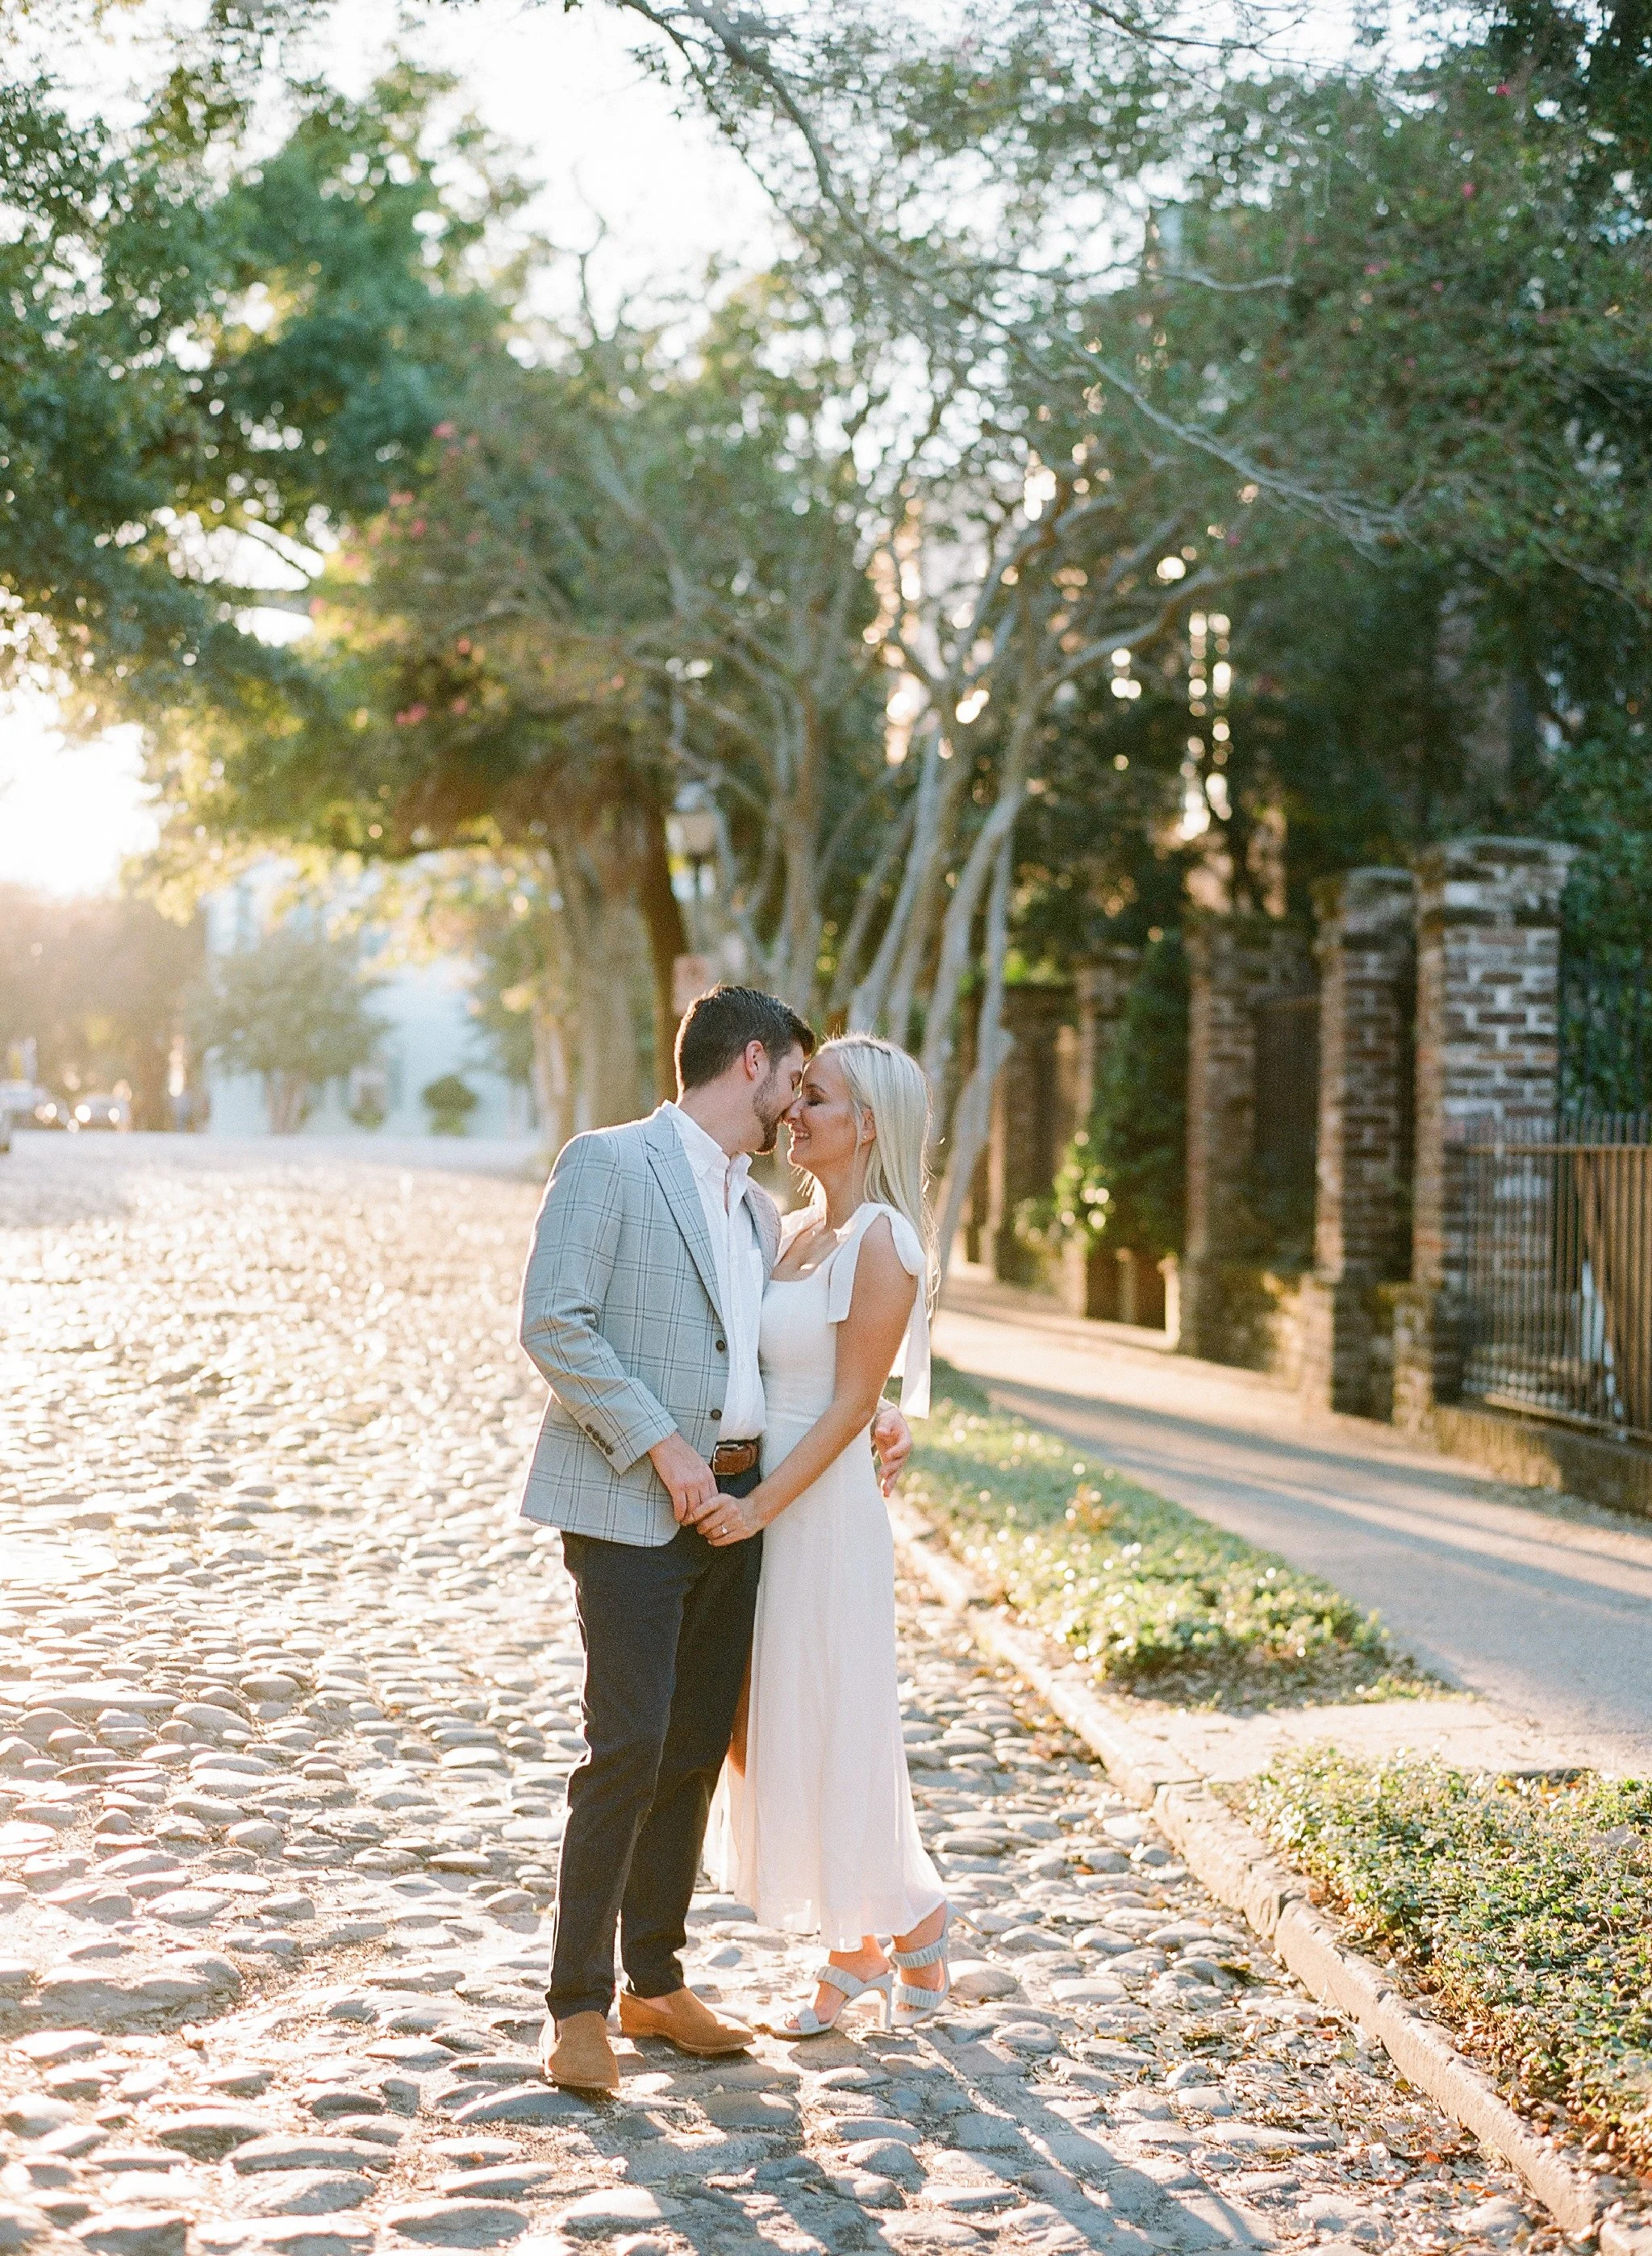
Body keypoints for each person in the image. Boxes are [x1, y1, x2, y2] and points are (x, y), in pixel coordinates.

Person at [517, 987, 912, 2096]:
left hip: (739, 1510)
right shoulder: (608, 1163)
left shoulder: (756, 1211)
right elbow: (553, 1321)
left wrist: (877, 1409)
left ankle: (656, 1979)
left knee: (695, 1747)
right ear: (752, 1061)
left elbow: (776, 1350)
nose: (797, 1103)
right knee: (629, 1743)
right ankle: (577, 2005)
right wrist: (661, 1447)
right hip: (631, 1502)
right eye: (795, 1079)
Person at [691, 1035, 951, 2036]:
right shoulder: (792, 1228)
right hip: (763, 1495)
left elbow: (847, 1405)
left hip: (819, 1513)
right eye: (796, 1092)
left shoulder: (885, 1241)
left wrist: (760, 1505)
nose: (791, 1111)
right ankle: (909, 1916)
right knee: (754, 1727)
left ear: (868, 1125)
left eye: (817, 1098)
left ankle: (859, 1942)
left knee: (830, 1720)